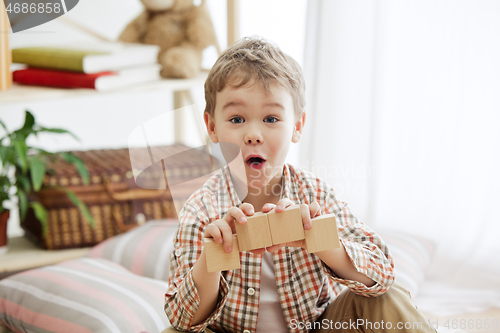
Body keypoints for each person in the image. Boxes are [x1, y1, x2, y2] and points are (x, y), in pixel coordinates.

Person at [164, 36, 436, 333]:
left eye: (270, 118)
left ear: (297, 126)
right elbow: (182, 318)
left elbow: (382, 273)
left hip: (315, 328)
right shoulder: (202, 209)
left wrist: (318, 239)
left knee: (386, 299)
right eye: (237, 118)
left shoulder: (314, 195)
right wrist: (212, 259)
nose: (253, 134)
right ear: (212, 127)